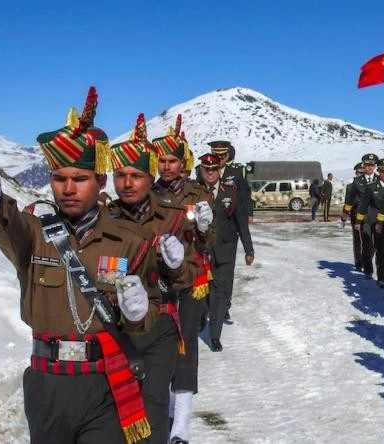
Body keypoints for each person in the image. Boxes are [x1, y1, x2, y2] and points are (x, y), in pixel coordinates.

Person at [0, 86, 161, 443]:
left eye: (80, 179)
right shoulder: (35, 233)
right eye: (59, 179)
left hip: (106, 382)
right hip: (48, 385)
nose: (68, 189)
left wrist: (138, 313)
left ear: (100, 181)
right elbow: (8, 224)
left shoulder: (131, 241)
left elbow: (151, 310)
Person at [107, 113, 207, 443]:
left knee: (153, 404)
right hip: (115, 325)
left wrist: (181, 261)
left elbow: (194, 263)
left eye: (136, 175)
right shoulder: (104, 217)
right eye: (120, 175)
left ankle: (179, 424)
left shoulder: (173, 216)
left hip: (161, 318)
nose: (127, 183)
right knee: (113, 411)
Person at [151, 115, 215, 444]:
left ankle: (181, 423)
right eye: (161, 160)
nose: (166, 166)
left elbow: (211, 240)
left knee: (186, 342)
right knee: (160, 341)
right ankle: (164, 404)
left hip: (191, 278)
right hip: (158, 278)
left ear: (182, 163)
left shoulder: (198, 193)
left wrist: (205, 227)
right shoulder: (148, 193)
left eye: (171, 161)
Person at [198, 152, 255, 353]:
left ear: (219, 171)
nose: (210, 173)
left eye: (214, 169)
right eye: (207, 170)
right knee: (203, 291)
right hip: (201, 251)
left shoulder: (230, 191)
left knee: (220, 293)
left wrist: (248, 249)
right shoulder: (194, 192)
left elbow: (241, 222)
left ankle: (214, 336)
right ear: (202, 171)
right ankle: (201, 318)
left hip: (225, 250)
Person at [356, 158, 384, 288]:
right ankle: (380, 275)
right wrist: (359, 221)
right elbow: (363, 205)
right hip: (374, 223)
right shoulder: (371, 187)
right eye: (382, 171)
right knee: (376, 248)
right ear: (378, 171)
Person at [344, 153, 378, 278]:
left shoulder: (380, 179)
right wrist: (345, 215)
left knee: (374, 243)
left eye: (372, 165)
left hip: (376, 217)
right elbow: (350, 199)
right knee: (363, 241)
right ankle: (364, 265)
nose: (369, 167)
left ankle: (366, 260)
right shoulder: (357, 182)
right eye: (367, 165)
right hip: (360, 216)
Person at [208, 141, 253, 223]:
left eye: (223, 155)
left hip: (230, 216)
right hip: (209, 216)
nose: (219, 158)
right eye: (216, 155)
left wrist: (249, 213)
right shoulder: (203, 171)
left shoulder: (237, 172)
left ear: (228, 156)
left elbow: (245, 194)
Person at [343, 163, 365, 269]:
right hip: (355, 215)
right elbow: (348, 202)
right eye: (360, 173)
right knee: (357, 240)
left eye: (363, 173)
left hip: (369, 216)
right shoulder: (350, 186)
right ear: (356, 173)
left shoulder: (371, 185)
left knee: (370, 240)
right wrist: (344, 215)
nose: (361, 175)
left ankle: (366, 260)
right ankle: (358, 262)